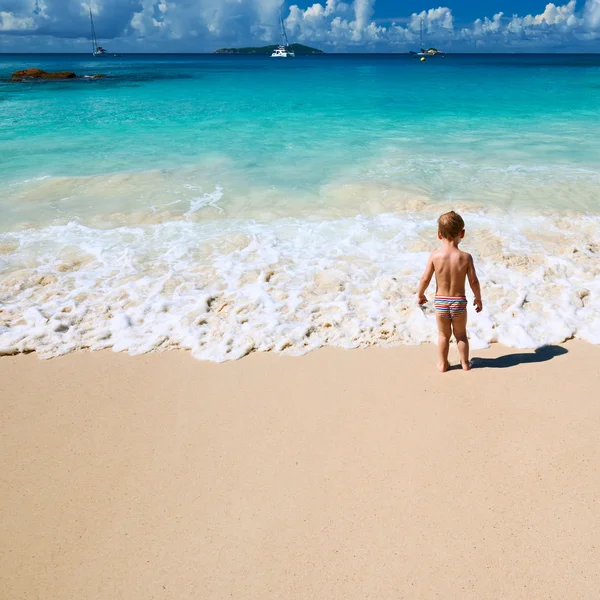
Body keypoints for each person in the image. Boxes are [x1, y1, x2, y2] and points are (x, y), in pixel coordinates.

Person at [416, 211, 483, 372]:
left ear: (439, 235)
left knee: (443, 335)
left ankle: (443, 364)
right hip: (459, 302)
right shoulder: (466, 257)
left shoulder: (435, 256)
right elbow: (473, 281)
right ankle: (465, 363)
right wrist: (478, 298)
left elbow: (425, 278)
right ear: (462, 233)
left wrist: (420, 294)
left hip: (441, 302)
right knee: (460, 335)